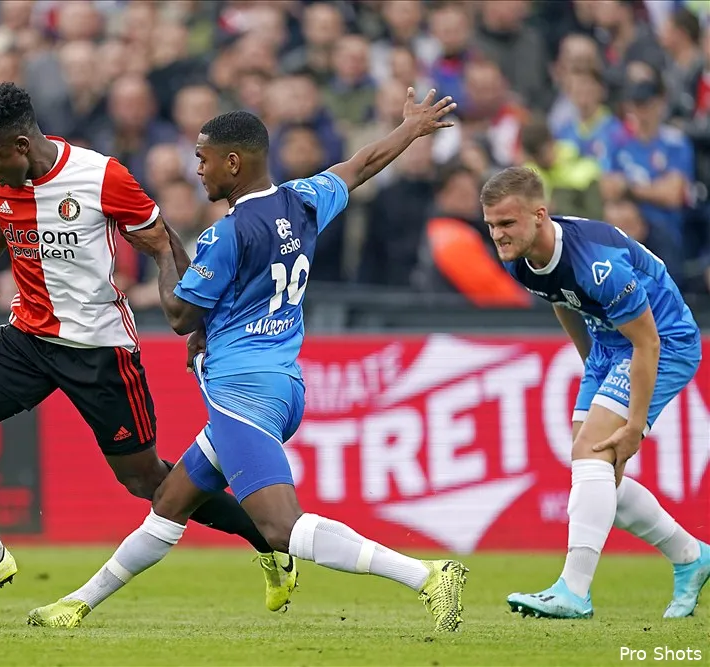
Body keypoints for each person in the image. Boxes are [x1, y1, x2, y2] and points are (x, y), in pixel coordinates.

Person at [27, 89, 470, 632]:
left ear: (233, 162)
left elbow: (180, 315)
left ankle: (426, 576)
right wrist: (409, 129)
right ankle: (78, 604)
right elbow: (362, 165)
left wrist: (164, 250)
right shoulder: (305, 199)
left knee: (284, 527)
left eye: (203, 159)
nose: (198, 170)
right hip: (283, 385)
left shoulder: (225, 234)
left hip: (243, 392)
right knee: (170, 502)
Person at [0, 82, 291, 621]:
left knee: (148, 482)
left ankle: (269, 541)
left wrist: (197, 322)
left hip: (99, 350)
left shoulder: (100, 176)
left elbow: (161, 238)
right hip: (27, 337)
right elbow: (3, 212)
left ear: (23, 145)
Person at [480, 166, 709, 619]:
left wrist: (634, 426)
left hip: (664, 341)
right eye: (491, 225)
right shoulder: (521, 260)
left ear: (540, 216)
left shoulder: (596, 264)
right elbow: (562, 301)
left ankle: (573, 590)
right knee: (601, 475)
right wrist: (595, 370)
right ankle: (691, 557)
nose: (498, 236)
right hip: (608, 345)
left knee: (593, 452)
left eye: (507, 223)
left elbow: (649, 343)